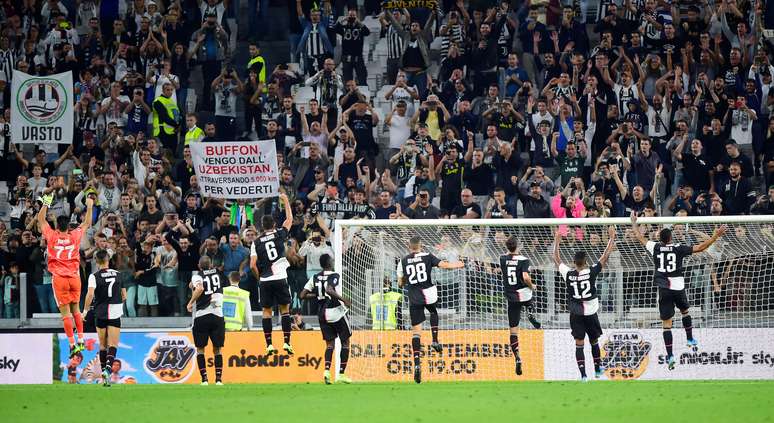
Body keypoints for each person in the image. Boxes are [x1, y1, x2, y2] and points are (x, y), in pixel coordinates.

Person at [630, 212, 727, 370]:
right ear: (671, 238)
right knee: (685, 312)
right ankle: (689, 339)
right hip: (678, 287)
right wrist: (715, 235)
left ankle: (670, 356)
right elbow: (701, 247)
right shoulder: (678, 248)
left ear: (660, 239)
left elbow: (639, 237)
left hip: (664, 289)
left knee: (666, 325)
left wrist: (634, 222)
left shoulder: (655, 247)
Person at [397, 236, 465, 384]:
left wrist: (404, 282)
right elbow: (444, 265)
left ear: (409, 246)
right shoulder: (427, 256)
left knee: (416, 332)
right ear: (420, 245)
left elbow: (401, 281)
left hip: (414, 296)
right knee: (433, 312)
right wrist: (459, 264)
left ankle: (416, 363)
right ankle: (434, 340)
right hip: (428, 293)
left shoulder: (404, 260)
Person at [553, 225, 616, 382]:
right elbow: (605, 256)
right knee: (594, 341)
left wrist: (557, 240)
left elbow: (556, 259)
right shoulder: (591, 271)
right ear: (586, 262)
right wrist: (611, 238)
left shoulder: (568, 273)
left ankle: (583, 375)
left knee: (579, 344)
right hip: (591, 313)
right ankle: (597, 370)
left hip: (575, 313)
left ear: (573, 262)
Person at [37, 187, 95, 358]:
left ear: (57, 226)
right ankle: (81, 340)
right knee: (76, 310)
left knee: (65, 314)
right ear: (68, 226)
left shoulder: (52, 235)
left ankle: (72, 345)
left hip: (60, 278)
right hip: (74, 277)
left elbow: (40, 219)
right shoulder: (75, 235)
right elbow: (86, 223)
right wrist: (90, 206)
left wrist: (46, 202)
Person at [250, 192, 294, 355]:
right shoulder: (279, 234)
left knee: (266, 311)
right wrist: (285, 200)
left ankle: (269, 344)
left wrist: (259, 277)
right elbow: (289, 220)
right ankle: (287, 342)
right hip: (281, 277)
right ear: (274, 224)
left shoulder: (256, 242)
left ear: (262, 226)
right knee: (285, 310)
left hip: (265, 280)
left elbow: (252, 265)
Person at [300, 254, 353, 384]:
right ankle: (341, 373)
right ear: (329, 263)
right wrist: (344, 299)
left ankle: (327, 371)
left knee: (330, 344)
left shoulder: (315, 277)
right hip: (335, 312)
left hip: (322, 314)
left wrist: (318, 295)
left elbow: (302, 295)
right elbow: (329, 289)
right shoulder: (334, 275)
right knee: (345, 342)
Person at [81, 249, 125, 387]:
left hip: (100, 312)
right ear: (108, 260)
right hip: (115, 311)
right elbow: (124, 296)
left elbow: (90, 294)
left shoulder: (94, 276)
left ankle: (104, 378)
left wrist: (85, 310)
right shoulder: (119, 274)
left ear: (96, 261)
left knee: (102, 344)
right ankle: (107, 370)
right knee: (113, 344)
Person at [499, 235, 541, 376]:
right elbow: (525, 277)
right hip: (523, 293)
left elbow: (507, 254)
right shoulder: (524, 260)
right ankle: (530, 312)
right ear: (518, 246)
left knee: (513, 332)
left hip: (511, 297)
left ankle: (517, 356)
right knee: (530, 292)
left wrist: (510, 248)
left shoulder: (502, 259)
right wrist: (532, 285)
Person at [187, 256, 225, 386]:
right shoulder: (217, 273)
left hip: (202, 314)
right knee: (217, 349)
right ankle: (219, 380)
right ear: (210, 265)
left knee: (200, 349)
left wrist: (190, 302)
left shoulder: (197, 276)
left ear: (199, 265)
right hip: (217, 314)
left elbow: (200, 288)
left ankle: (204, 380)